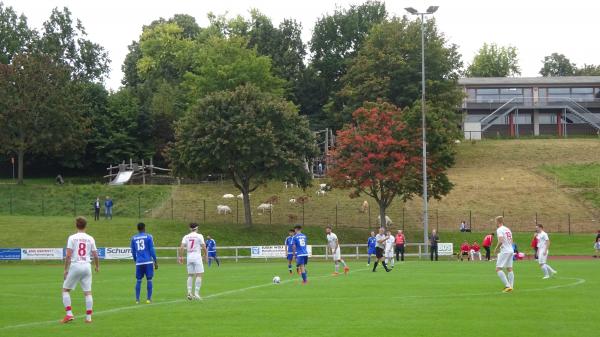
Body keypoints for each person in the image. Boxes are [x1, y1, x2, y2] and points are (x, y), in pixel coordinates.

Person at [61, 216, 99, 324]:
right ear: (86, 226)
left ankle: (69, 314)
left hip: (76, 265)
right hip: (87, 266)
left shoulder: (72, 238)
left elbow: (68, 255)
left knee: (65, 290)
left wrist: (65, 270)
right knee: (88, 293)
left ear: (76, 225)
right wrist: (97, 266)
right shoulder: (90, 238)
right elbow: (96, 255)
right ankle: (88, 318)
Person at [178, 223, 207, 300]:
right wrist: (205, 255)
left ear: (190, 228)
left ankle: (189, 292)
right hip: (197, 256)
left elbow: (181, 247)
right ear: (197, 228)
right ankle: (196, 293)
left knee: (190, 275)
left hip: (189, 257)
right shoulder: (199, 236)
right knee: (199, 274)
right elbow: (204, 247)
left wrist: (180, 257)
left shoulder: (186, 236)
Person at [130, 222, 158, 304]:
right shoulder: (149, 237)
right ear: (144, 228)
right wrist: (155, 261)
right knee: (149, 280)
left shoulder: (133, 238)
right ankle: (148, 299)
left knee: (138, 280)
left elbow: (133, 251)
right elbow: (152, 250)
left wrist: (136, 260)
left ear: (137, 229)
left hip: (139, 262)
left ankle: (137, 300)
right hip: (148, 261)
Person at [494, 216, 515, 293]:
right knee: (509, 268)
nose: (495, 223)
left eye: (495, 222)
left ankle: (507, 285)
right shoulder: (508, 229)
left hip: (505, 251)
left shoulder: (499, 229)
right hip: (510, 250)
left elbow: (500, 240)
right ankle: (511, 286)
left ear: (498, 222)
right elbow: (512, 241)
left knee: (498, 269)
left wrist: (496, 248)